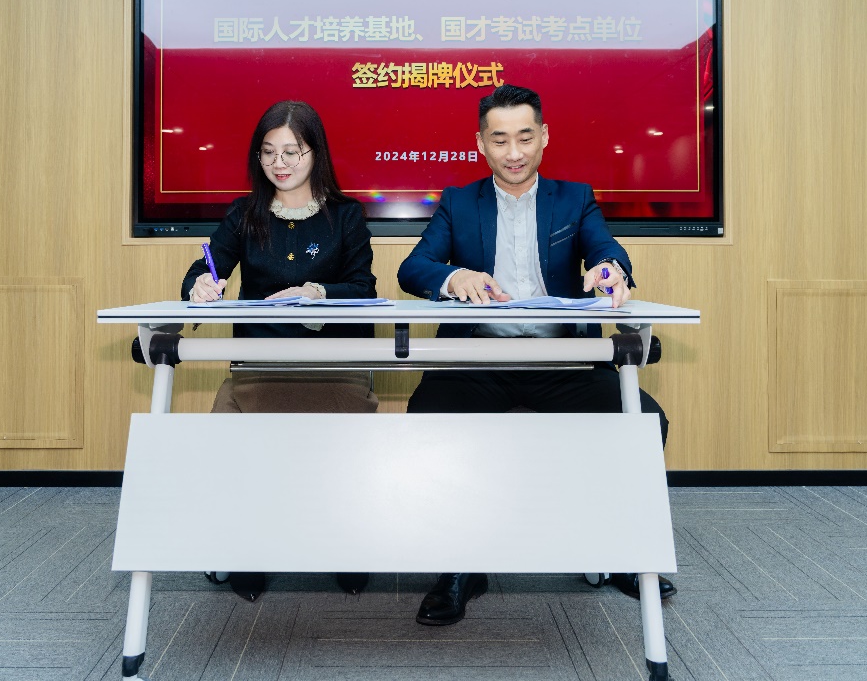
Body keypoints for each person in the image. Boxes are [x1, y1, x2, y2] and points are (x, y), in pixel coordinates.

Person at [397, 84, 676, 627]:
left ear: (544, 137)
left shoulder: (574, 199)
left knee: (642, 422)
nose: (514, 152)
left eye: (525, 137)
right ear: (480, 143)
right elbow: (414, 268)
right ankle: (459, 566)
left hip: (562, 361)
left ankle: (617, 548)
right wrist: (455, 276)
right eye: (499, 140)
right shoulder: (459, 202)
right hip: (480, 361)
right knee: (429, 419)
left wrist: (610, 270)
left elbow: (604, 250)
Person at [182, 100, 376, 600]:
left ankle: (344, 544)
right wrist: (200, 285)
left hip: (333, 369)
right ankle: (248, 548)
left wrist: (319, 294)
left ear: (316, 154)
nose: (280, 163)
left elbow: (365, 290)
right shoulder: (243, 214)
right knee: (233, 446)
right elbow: (204, 269)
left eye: (293, 151)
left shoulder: (346, 216)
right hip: (260, 367)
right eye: (268, 152)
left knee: (339, 456)